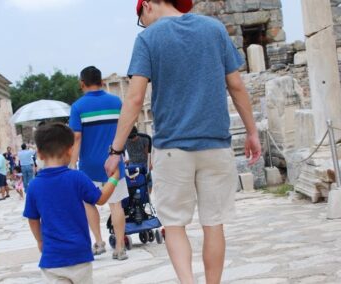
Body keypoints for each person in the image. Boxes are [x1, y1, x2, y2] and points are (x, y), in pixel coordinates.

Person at [104, 1, 262, 283]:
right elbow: (236, 85)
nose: (143, 23)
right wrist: (252, 131)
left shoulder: (148, 39)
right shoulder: (213, 30)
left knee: (175, 226)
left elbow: (135, 98)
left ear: (148, 5)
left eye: (141, 17)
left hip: (173, 148)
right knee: (214, 224)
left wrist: (116, 149)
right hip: (215, 144)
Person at [23, 123, 120, 283]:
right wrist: (114, 179)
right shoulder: (77, 178)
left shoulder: (34, 185)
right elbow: (101, 199)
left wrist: (40, 241)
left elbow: (33, 219)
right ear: (70, 150)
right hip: (79, 255)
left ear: (39, 154)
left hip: (52, 258)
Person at [69, 66, 129, 261]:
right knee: (116, 205)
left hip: (89, 165)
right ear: (102, 81)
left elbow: (76, 137)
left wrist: (71, 164)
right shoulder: (116, 102)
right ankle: (120, 247)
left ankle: (99, 242)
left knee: (88, 203)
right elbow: (123, 128)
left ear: (82, 84)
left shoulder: (78, 107)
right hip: (113, 161)